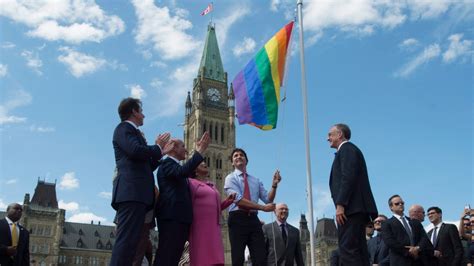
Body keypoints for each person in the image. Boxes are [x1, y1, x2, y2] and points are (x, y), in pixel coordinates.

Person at [110, 97, 171, 265]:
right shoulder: (123, 129)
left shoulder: (133, 132)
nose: (143, 115)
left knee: (132, 244)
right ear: (134, 112)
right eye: (141, 111)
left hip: (139, 196)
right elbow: (135, 151)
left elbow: (145, 165)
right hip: (131, 193)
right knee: (125, 242)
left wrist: (161, 153)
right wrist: (157, 147)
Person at [154, 133, 210, 265]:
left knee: (173, 256)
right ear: (173, 148)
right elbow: (184, 171)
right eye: (183, 146)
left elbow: (187, 171)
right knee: (166, 255)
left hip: (180, 218)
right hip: (171, 216)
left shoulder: (176, 167)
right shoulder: (167, 164)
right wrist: (200, 150)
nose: (186, 149)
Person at [327, 123, 378, 265]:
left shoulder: (347, 150)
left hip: (350, 209)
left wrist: (341, 204)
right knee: (359, 250)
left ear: (340, 135)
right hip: (357, 209)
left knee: (348, 249)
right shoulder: (349, 150)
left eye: (330, 134)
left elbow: (348, 177)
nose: (328, 138)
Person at [224, 148, 281, 266]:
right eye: (235, 156)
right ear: (232, 162)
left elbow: (268, 199)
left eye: (241, 155)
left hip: (253, 219)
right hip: (237, 219)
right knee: (238, 258)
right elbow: (238, 200)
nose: (238, 157)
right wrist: (263, 208)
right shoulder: (230, 178)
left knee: (260, 257)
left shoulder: (255, 180)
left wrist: (274, 185)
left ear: (246, 160)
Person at [188, 162, 236, 266]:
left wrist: (228, 201)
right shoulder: (190, 183)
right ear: (194, 170)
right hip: (200, 226)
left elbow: (216, 207)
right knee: (202, 256)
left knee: (216, 259)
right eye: (201, 163)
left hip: (214, 226)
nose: (205, 163)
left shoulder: (211, 185)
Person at [382, 194, 433, 266]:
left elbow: (424, 238)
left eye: (402, 203)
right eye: (397, 204)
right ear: (391, 207)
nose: (400, 204)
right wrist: (408, 252)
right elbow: (390, 242)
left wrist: (417, 248)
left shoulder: (414, 222)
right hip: (400, 260)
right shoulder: (387, 223)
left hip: (418, 260)